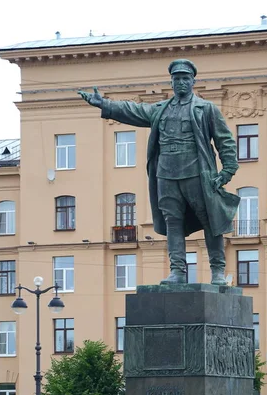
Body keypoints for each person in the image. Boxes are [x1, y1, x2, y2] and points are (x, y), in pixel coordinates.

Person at [79, 59, 239, 285]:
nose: (181, 83)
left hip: (197, 172)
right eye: (177, 79)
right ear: (171, 83)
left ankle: (217, 271)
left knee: (210, 221)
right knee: (173, 222)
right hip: (166, 173)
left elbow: (225, 141)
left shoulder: (206, 109)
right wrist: (104, 104)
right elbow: (133, 110)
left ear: (193, 81)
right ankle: (178, 271)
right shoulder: (160, 109)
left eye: (185, 78)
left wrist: (227, 171)